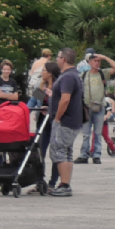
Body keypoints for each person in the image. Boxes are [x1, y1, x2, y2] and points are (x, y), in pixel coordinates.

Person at [46, 50, 83, 197]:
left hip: (64, 120)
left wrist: (57, 118)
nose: (56, 59)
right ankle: (64, 182)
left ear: (64, 59)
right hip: (71, 120)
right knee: (66, 152)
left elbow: (65, 99)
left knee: (59, 150)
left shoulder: (67, 77)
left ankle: (64, 184)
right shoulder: (73, 75)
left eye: (58, 57)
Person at [78, 50, 115, 164]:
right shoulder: (83, 75)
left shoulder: (103, 73)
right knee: (86, 134)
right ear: (89, 62)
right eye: (95, 61)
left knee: (98, 133)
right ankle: (84, 155)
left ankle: (96, 155)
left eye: (98, 61)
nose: (97, 63)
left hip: (100, 107)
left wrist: (105, 57)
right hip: (86, 107)